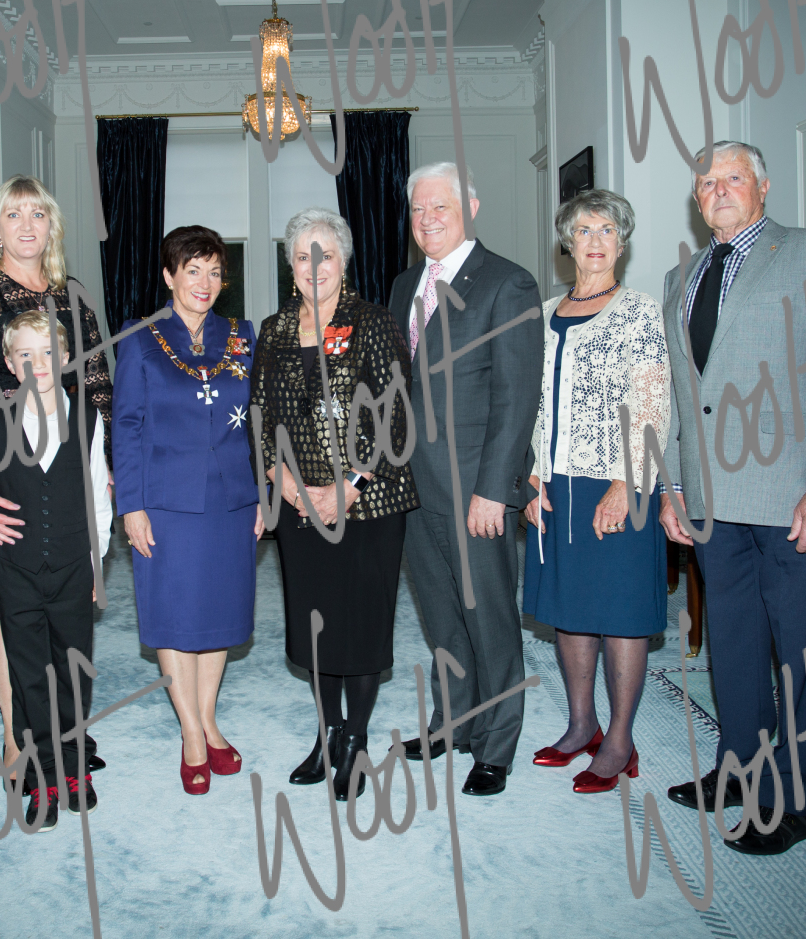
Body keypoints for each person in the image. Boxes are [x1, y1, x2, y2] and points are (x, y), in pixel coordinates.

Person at [658, 141, 806, 855]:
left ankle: (796, 801)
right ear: (696, 197)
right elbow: (678, 393)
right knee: (734, 643)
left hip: (789, 496)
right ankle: (740, 768)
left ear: (764, 186)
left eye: (733, 177)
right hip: (711, 499)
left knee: (801, 652)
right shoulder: (681, 275)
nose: (718, 190)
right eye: (707, 181)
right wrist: (672, 486)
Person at [386, 162, 543, 797]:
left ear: (470, 207)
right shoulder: (404, 284)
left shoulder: (508, 283)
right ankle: (454, 721)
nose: (427, 219)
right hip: (412, 486)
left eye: (441, 207)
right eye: (418, 208)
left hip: (475, 487)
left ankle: (497, 744)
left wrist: (495, 490)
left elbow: (516, 397)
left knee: (490, 618)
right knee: (442, 616)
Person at [0, 174, 112, 780]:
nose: (26, 226)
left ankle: (65, 737)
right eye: (13, 215)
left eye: (37, 214)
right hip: (7, 468)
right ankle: (21, 740)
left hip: (66, 456)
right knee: (10, 611)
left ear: (52, 227)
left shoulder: (72, 295)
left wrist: (107, 464)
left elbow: (96, 381)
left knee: (67, 623)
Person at [251, 208, 418, 801]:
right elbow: (261, 414)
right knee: (316, 626)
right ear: (290, 265)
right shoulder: (273, 329)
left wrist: (347, 486)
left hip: (368, 500)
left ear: (343, 261)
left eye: (325, 254)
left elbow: (395, 411)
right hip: (299, 504)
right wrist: (285, 483)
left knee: (361, 624)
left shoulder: (372, 321)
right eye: (303, 255)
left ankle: (356, 739)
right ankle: (327, 736)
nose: (314, 266)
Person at [521, 190, 670, 794]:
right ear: (567, 242)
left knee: (621, 613)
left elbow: (652, 403)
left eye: (607, 230)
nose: (596, 241)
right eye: (584, 230)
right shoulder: (543, 314)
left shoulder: (639, 312)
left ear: (622, 242)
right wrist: (531, 476)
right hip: (557, 484)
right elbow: (532, 405)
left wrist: (626, 485)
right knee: (571, 607)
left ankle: (620, 740)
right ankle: (582, 724)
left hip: (617, 482)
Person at [112, 225, 264, 795]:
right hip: (165, 502)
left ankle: (208, 719)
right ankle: (193, 735)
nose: (205, 282)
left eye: (215, 271)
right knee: (175, 614)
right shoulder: (140, 339)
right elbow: (126, 425)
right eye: (192, 270)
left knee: (218, 613)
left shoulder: (243, 336)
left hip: (231, 498)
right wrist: (131, 506)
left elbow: (259, 422)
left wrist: (260, 494)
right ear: (169, 275)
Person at [0, 311, 112, 833]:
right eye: (25, 354)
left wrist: (96, 565)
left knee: (72, 671)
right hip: (17, 571)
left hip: (74, 568)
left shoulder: (89, 420)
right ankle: (43, 778)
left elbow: (98, 499)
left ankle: (75, 770)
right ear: (10, 364)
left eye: (49, 352)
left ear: (66, 357)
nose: (39, 363)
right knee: (29, 679)